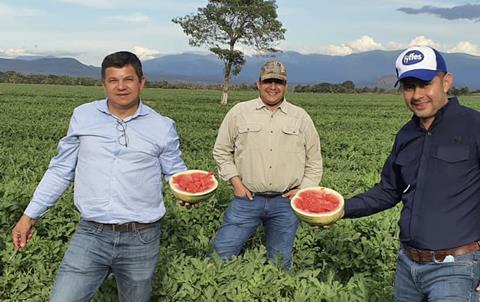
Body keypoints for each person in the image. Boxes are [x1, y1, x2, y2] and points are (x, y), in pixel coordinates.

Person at [11, 51, 187, 302]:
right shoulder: (83, 116)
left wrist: (187, 192)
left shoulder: (162, 126)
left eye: (128, 79)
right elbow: (61, 170)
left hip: (141, 237)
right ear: (103, 84)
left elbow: (176, 172)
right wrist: (29, 215)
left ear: (141, 82)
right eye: (113, 80)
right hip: (91, 233)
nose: (121, 86)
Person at [342, 46, 480, 301]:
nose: (416, 95)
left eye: (425, 84)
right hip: (408, 267)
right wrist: (340, 208)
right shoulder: (406, 135)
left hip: (457, 268)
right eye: (408, 86)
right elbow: (388, 190)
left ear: (446, 82)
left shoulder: (474, 126)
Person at [212, 60, 323, 269]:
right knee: (222, 253)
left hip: (285, 203)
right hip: (247, 199)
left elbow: (314, 160)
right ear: (258, 83)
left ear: (286, 85)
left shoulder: (301, 117)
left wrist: (304, 190)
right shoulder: (239, 112)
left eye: (278, 82)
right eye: (268, 81)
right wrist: (235, 183)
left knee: (280, 262)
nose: (273, 86)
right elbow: (221, 150)